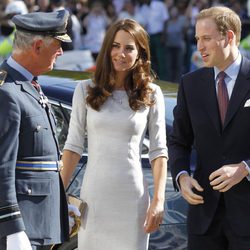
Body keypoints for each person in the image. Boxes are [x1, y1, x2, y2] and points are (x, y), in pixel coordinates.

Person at [61, 18, 168, 250]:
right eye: (116, 46)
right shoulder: (84, 90)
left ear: (139, 53)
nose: (121, 53)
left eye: (129, 48)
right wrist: (58, 195)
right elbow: (73, 146)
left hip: (133, 198)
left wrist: (159, 200)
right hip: (94, 197)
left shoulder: (152, 93)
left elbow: (159, 151)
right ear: (107, 48)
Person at [168, 6, 250, 250]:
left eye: (206, 38)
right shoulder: (190, 84)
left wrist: (245, 168)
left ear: (229, 37)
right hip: (204, 217)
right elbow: (178, 140)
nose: (199, 47)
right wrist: (181, 176)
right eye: (197, 39)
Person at [0, 10, 72, 250]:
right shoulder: (6, 92)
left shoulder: (28, 84)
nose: (61, 52)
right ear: (38, 46)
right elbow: (3, 167)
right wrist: (12, 228)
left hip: (38, 223)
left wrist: (59, 204)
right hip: (22, 226)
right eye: (58, 44)